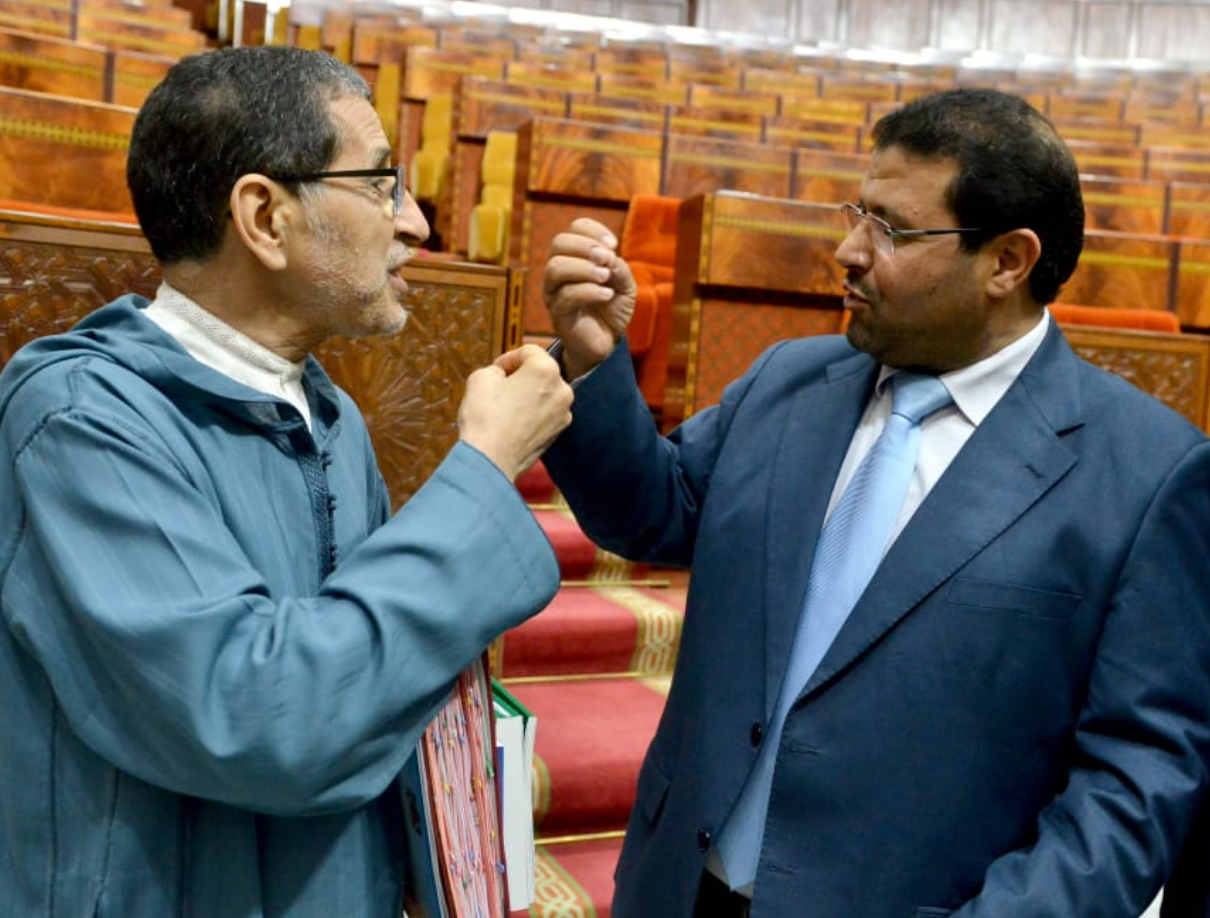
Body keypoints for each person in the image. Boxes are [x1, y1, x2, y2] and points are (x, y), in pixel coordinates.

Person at [539, 87, 1210, 918]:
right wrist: (593, 360)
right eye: (858, 214)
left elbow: (1136, 778)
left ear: (1007, 261)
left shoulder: (1148, 474)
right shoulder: (790, 379)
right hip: (680, 885)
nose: (848, 251)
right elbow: (653, 513)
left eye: (890, 229)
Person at [0, 46, 573, 918]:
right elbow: (258, 717)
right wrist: (486, 468)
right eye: (380, 183)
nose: (417, 224)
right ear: (265, 218)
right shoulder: (80, 419)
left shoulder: (330, 414)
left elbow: (375, 680)